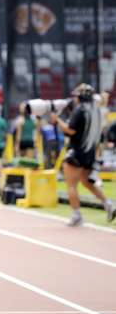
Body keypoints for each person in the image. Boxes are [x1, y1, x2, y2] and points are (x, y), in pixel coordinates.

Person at [51, 84, 115, 227]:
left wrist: (57, 120)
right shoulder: (96, 111)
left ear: (80, 97)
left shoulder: (80, 110)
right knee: (86, 181)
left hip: (76, 151)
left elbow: (70, 131)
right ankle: (108, 203)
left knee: (71, 184)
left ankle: (76, 215)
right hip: (89, 152)